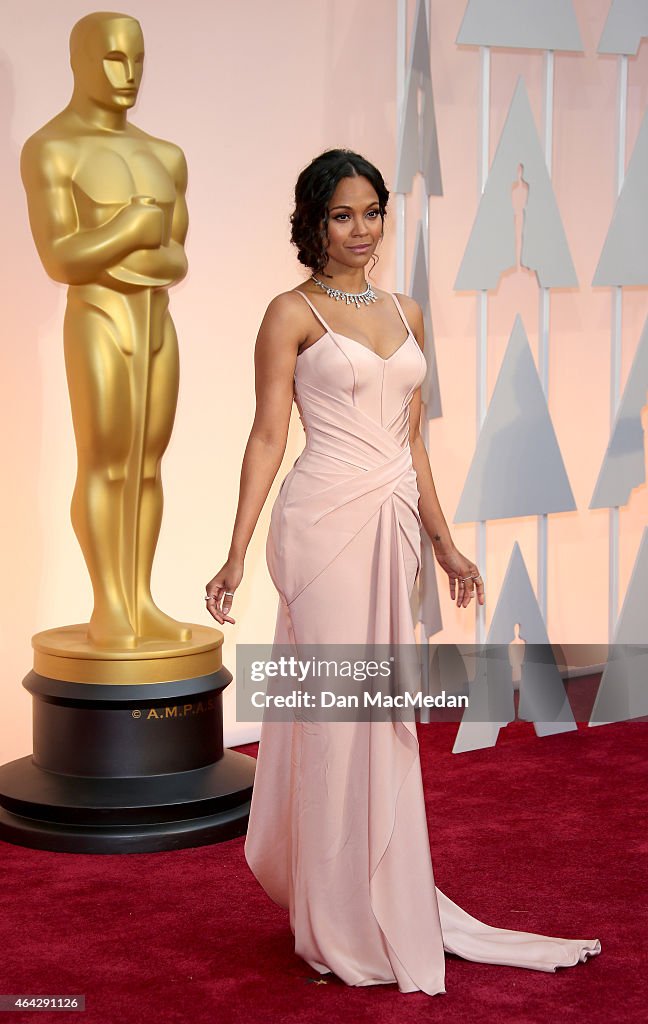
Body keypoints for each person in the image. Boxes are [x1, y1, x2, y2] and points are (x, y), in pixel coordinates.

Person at [204, 149, 600, 994]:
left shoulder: (406, 308)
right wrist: (236, 550)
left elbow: (411, 442)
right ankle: (330, 924)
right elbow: (268, 438)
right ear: (313, 221)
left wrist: (448, 544)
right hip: (322, 529)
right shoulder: (290, 313)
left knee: (379, 719)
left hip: (392, 527)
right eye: (342, 215)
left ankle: (373, 894)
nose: (360, 230)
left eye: (372, 213)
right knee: (338, 723)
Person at [21, 11, 191, 649]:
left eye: (138, 59)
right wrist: (131, 231)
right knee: (106, 462)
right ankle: (109, 606)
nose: (128, 75)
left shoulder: (165, 156)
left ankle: (140, 600)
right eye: (114, 59)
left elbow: (176, 259)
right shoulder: (52, 148)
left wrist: (120, 244)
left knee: (147, 466)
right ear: (80, 61)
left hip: (155, 321)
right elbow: (61, 257)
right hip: (96, 316)